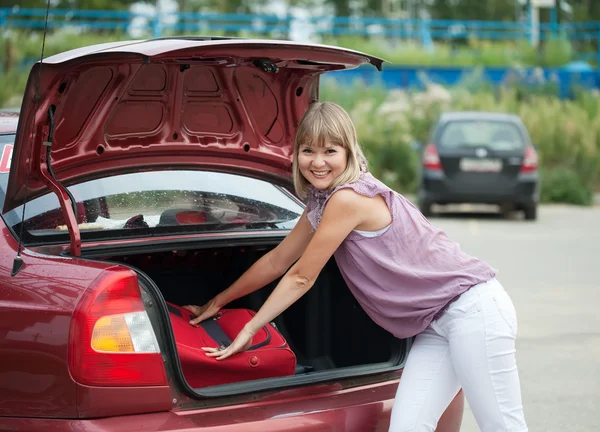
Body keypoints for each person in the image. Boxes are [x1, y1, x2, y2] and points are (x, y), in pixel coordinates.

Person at [183, 101, 528, 432]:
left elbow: (301, 276)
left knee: (502, 426)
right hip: (433, 325)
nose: (317, 162)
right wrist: (219, 301)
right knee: (408, 426)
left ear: (348, 152)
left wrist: (250, 329)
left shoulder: (348, 199)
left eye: (330, 151)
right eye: (308, 151)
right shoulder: (322, 201)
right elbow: (278, 260)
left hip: (471, 310)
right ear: (296, 153)